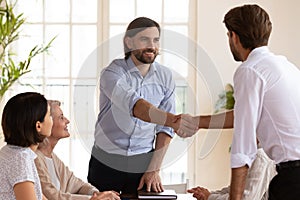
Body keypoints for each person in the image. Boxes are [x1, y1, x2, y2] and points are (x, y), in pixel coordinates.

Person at [178, 4, 300, 200]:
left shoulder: (250, 70)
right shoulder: (284, 66)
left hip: (293, 179)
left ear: (234, 36)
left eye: (228, 35)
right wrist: (197, 122)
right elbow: (241, 115)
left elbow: (243, 147)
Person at [87, 16, 198, 197]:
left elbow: (164, 129)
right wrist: (175, 121)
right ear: (129, 42)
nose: (151, 46)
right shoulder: (112, 73)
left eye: (155, 40)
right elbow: (137, 107)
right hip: (106, 162)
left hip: (142, 162)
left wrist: (154, 169)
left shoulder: (165, 77)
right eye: (144, 39)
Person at [35, 100, 120, 200]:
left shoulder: (52, 157)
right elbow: (52, 196)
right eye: (61, 117)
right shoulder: (35, 158)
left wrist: (96, 193)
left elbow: (77, 184)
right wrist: (92, 199)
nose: (67, 121)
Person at [0, 92, 53, 200]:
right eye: (49, 115)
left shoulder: (8, 151)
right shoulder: (20, 159)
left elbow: (39, 196)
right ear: (38, 126)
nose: (52, 119)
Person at [187, 148, 276, 200]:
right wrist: (207, 193)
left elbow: (246, 198)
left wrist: (210, 196)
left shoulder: (260, 156)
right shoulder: (252, 155)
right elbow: (235, 189)